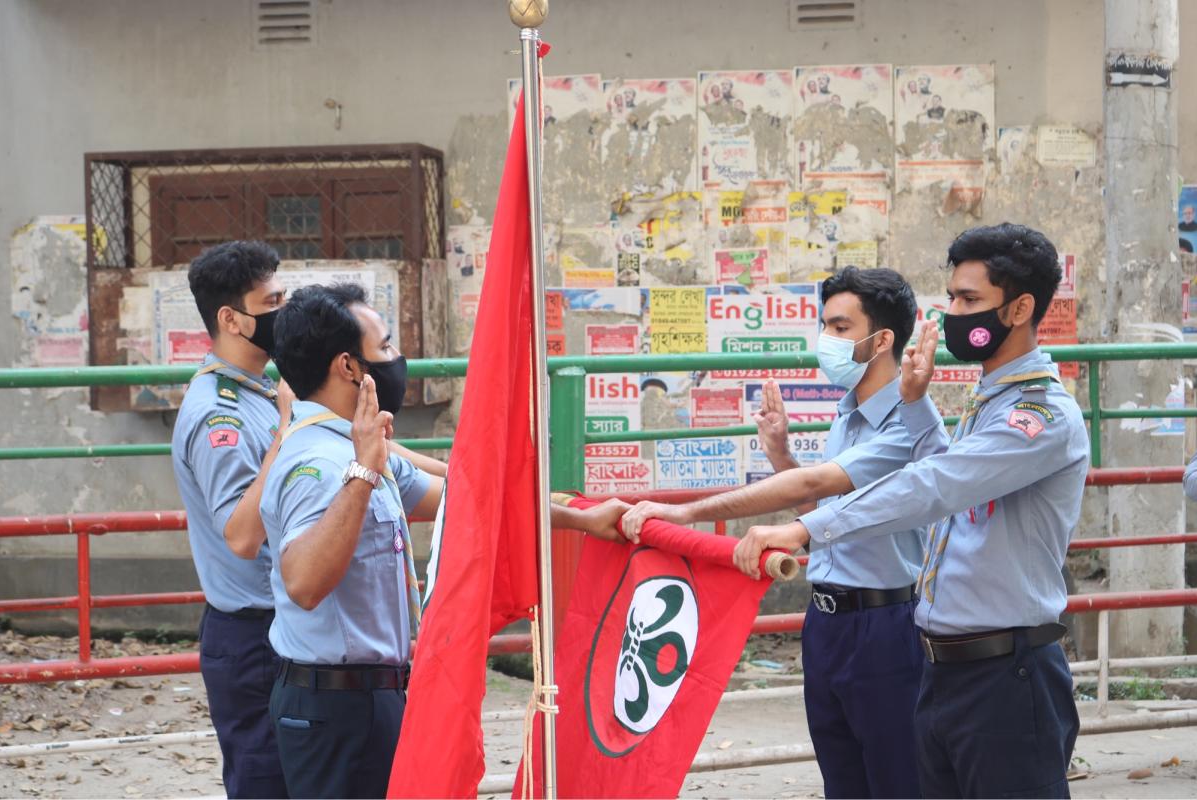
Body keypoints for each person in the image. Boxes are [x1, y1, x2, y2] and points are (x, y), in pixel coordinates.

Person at [734, 223, 1089, 799]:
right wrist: (919, 404)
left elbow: (934, 486)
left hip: (1005, 672)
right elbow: (950, 487)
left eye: (970, 299)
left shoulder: (1039, 415)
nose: (952, 312)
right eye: (951, 296)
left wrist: (803, 528)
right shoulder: (987, 401)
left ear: (1021, 308)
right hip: (943, 665)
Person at [261, 283, 627, 798]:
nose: (395, 359)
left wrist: (580, 518)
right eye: (384, 347)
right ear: (348, 367)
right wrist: (363, 471)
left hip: (375, 697)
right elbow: (303, 582)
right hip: (334, 707)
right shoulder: (319, 461)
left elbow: (468, 505)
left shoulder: (357, 444)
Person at [621, 267, 924, 798]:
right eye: (825, 325)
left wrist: (685, 513)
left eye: (839, 326)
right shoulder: (848, 414)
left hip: (886, 624)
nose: (826, 340)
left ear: (882, 340)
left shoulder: (906, 425)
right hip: (828, 621)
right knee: (843, 780)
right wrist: (780, 451)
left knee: (898, 781)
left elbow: (810, 486)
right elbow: (822, 499)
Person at [170, 241, 290, 799]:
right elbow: (242, 535)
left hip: (279, 624)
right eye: (272, 301)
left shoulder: (262, 391)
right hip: (253, 635)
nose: (283, 311)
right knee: (266, 781)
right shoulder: (220, 413)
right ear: (232, 319)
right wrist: (286, 434)